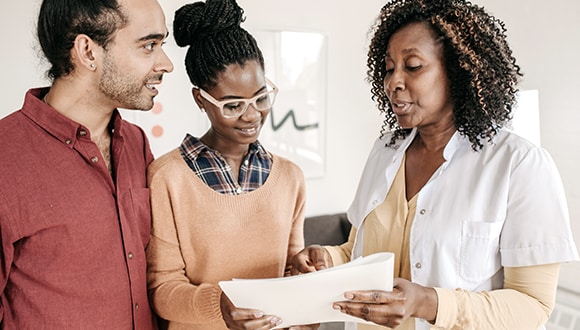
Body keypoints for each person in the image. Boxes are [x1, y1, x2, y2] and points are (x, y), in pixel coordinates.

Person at [290, 0, 579, 329]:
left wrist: (429, 303)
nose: (392, 82)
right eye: (388, 68)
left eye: (412, 66)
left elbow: (533, 304)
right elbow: (358, 249)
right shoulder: (385, 150)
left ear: (458, 72)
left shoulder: (519, 164)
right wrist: (329, 259)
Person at [0, 0, 173, 328]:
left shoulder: (136, 143)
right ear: (88, 52)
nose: (165, 64)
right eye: (149, 45)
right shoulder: (4, 158)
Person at [145, 1, 311, 329]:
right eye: (232, 105)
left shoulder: (290, 177)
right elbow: (162, 289)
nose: (251, 116)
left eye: (261, 99)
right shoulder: (167, 178)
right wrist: (218, 306)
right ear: (200, 99)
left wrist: (307, 300)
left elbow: (293, 271)